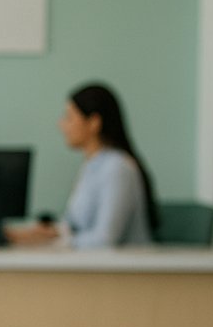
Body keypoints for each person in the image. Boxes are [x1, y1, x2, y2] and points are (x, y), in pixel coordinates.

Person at [9, 83, 159, 248]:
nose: (62, 125)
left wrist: (56, 241)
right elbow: (77, 227)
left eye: (69, 117)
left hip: (126, 271)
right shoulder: (91, 166)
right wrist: (44, 233)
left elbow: (105, 239)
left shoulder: (117, 168)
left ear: (94, 122)